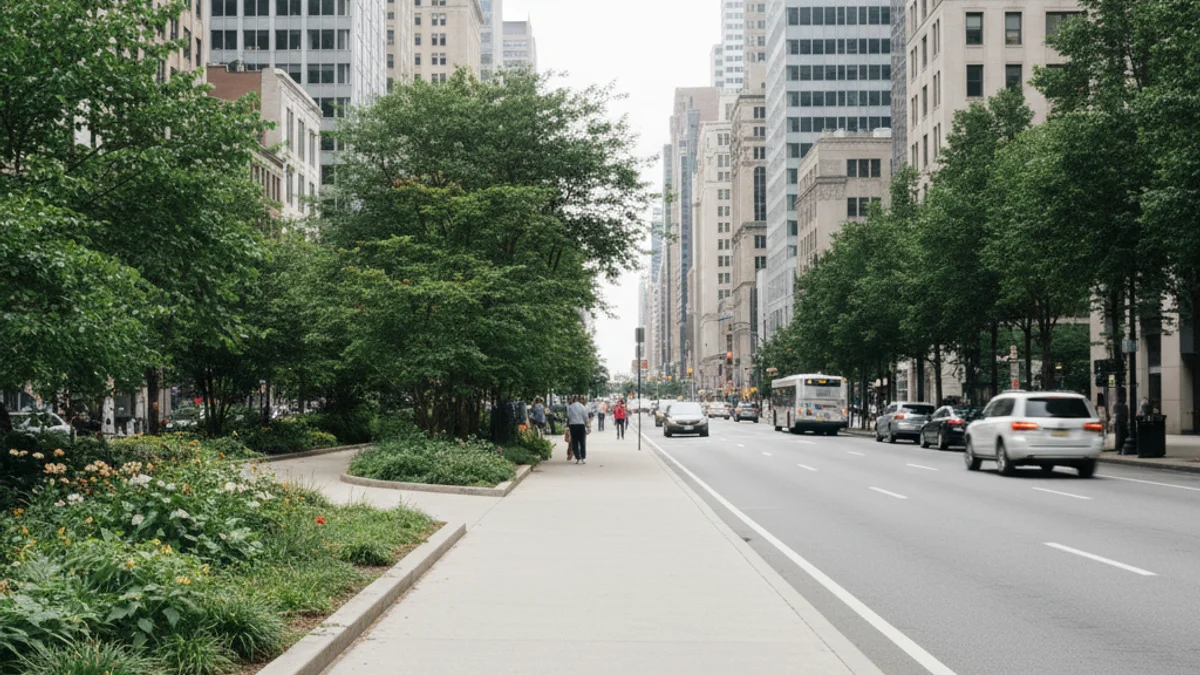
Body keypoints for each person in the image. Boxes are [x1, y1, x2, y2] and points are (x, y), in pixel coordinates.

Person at [567, 396, 589, 464]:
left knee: (575, 441)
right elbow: (585, 417)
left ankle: (577, 457)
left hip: (573, 425)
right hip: (581, 425)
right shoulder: (582, 407)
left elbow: (568, 416)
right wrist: (587, 426)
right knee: (582, 441)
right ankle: (583, 457)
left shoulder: (570, 407)